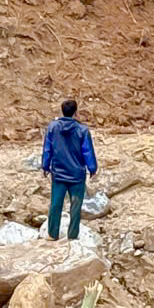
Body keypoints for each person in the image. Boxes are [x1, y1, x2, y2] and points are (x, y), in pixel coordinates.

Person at [41, 100, 97, 242]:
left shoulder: (53, 128)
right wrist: (92, 168)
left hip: (58, 174)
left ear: (62, 111)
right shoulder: (82, 130)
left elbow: (48, 149)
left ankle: (52, 234)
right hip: (77, 175)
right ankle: (72, 236)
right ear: (75, 112)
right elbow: (87, 152)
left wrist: (45, 166)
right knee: (75, 206)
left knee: (55, 205)